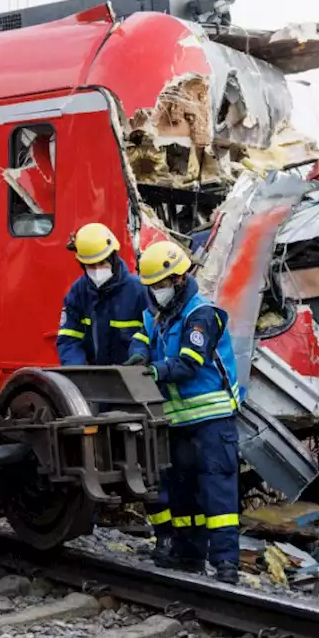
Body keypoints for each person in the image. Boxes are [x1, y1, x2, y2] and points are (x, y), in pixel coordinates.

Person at [126, 240, 241, 585]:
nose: (155, 291)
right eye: (151, 285)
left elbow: (190, 364)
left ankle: (225, 564)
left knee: (217, 491)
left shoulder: (199, 315)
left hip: (211, 420)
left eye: (161, 285)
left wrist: (154, 372)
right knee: (182, 490)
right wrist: (136, 356)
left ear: (178, 280)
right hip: (177, 421)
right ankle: (188, 556)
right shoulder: (157, 313)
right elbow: (141, 337)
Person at [56, 224, 172, 555]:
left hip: (132, 389)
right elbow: (69, 340)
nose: (96, 271)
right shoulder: (78, 293)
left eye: (101, 263)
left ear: (114, 256)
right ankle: (85, 524)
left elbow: (151, 334)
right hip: (94, 391)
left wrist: (138, 359)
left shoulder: (138, 291)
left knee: (146, 462)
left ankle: (164, 533)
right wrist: (80, 376)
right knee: (91, 457)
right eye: (89, 266)